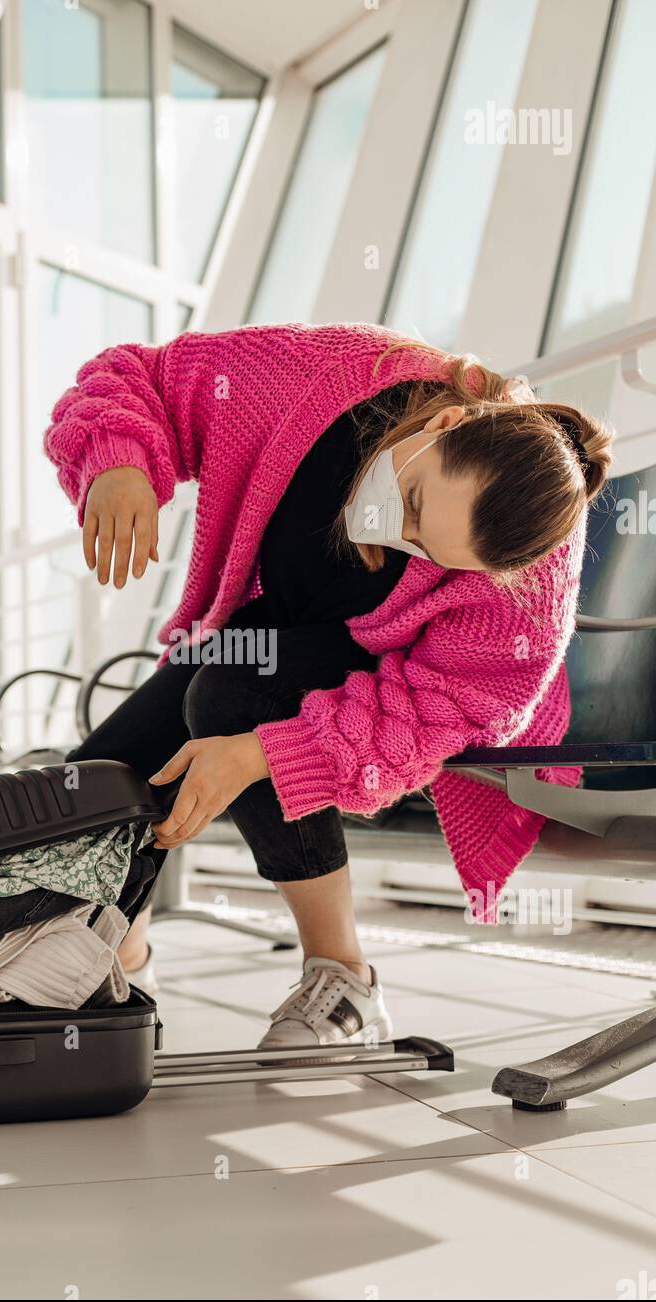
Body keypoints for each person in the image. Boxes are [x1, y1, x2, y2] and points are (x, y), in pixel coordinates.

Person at [44, 322, 612, 1050]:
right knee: (96, 788)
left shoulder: (526, 573)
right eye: (410, 500)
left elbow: (456, 705)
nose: (397, 532)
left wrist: (266, 754)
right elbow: (140, 378)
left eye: (424, 544)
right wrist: (117, 461)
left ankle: (344, 976)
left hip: (402, 688)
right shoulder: (327, 375)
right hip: (268, 641)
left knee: (232, 702)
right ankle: (125, 956)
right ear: (444, 422)